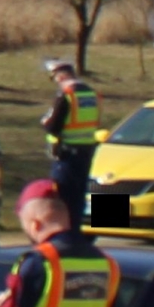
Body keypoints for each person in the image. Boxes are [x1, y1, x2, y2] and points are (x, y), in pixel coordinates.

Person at [40, 59, 102, 229]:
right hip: (86, 151)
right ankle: (76, 231)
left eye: (55, 78)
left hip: (67, 154)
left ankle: (65, 232)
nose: (56, 82)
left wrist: (44, 121)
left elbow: (52, 125)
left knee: (64, 197)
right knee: (79, 195)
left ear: (61, 76)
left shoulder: (67, 96)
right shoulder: (91, 94)